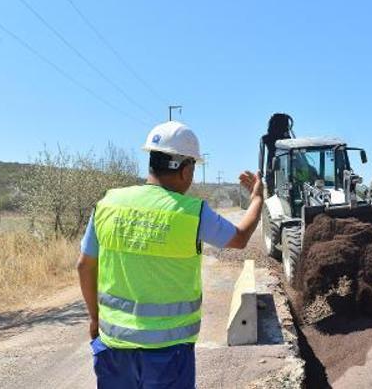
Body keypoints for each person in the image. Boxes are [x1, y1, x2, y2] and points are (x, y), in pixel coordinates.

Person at [76, 121, 264, 388]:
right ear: (185, 170)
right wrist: (257, 197)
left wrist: (95, 318)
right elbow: (241, 237)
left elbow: (84, 265)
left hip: (113, 347)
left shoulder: (108, 203)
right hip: (169, 352)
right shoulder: (192, 212)